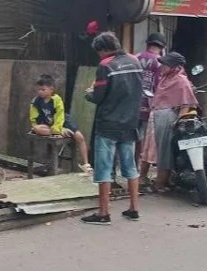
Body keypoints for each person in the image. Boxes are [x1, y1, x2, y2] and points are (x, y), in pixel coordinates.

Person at [82, 32, 143, 225]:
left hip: (108, 124)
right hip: (130, 123)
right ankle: (133, 209)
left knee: (104, 169)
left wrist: (89, 94)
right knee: (130, 168)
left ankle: (103, 213)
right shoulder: (135, 61)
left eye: (99, 52)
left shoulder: (105, 65)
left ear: (104, 49)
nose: (99, 56)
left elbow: (99, 96)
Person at [142, 52, 199, 192]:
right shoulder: (165, 78)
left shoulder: (181, 81)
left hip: (168, 120)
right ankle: (146, 178)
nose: (161, 66)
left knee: (165, 151)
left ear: (174, 66)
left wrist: (178, 123)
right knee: (151, 149)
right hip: (156, 118)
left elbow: (186, 105)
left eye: (165, 64)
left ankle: (160, 182)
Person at [29, 74, 92, 171]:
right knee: (36, 129)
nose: (40, 92)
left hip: (63, 121)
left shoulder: (56, 100)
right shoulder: (36, 101)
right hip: (48, 123)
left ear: (51, 89)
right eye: (38, 89)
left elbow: (59, 116)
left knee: (79, 137)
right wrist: (38, 127)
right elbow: (33, 118)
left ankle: (86, 163)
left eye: (43, 89)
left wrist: (58, 129)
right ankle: (61, 132)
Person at [136, 33, 166, 178]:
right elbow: (159, 85)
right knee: (145, 139)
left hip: (133, 105)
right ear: (161, 48)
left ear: (147, 44)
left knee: (133, 137)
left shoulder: (136, 58)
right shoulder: (160, 62)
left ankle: (132, 165)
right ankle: (141, 170)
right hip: (149, 106)